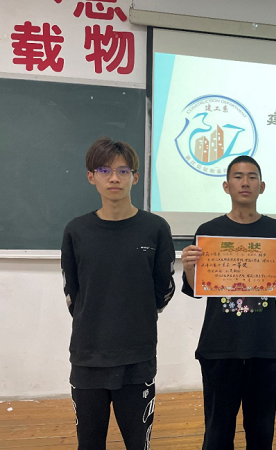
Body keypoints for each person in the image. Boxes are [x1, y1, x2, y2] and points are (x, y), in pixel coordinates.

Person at [61, 138, 176, 449]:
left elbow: (163, 289)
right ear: (91, 176)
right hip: (88, 356)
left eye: (123, 171)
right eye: (105, 170)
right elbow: (73, 293)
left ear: (135, 177)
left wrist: (136, 314)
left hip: (137, 358)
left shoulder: (156, 228)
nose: (114, 178)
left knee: (138, 444)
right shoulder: (76, 230)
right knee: (89, 443)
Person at [180, 155, 276, 450]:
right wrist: (189, 267)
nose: (245, 182)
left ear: (262, 186)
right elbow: (196, 289)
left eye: (251, 177)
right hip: (219, 345)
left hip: (263, 345)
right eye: (237, 176)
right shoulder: (208, 231)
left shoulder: (275, 231)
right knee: (217, 431)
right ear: (226, 186)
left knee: (261, 430)